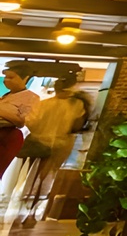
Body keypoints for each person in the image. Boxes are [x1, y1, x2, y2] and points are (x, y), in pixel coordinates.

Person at [16, 71, 85, 225]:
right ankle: (34, 213)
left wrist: (41, 132)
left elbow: (30, 123)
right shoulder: (76, 105)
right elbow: (77, 125)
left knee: (29, 176)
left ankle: (21, 211)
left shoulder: (44, 104)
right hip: (59, 145)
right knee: (46, 178)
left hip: (38, 143)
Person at [0, 62, 39, 184]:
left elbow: (22, 121)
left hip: (7, 135)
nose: (6, 80)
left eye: (11, 77)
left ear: (25, 78)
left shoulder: (31, 97)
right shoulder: (5, 96)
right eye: (6, 77)